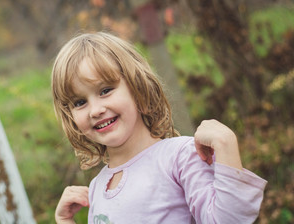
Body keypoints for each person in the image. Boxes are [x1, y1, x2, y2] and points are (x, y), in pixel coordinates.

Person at [51, 32, 267, 224]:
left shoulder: (178, 157)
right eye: (79, 103)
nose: (95, 110)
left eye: (105, 90)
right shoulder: (98, 187)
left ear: (139, 90)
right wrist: (64, 220)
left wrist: (226, 143)